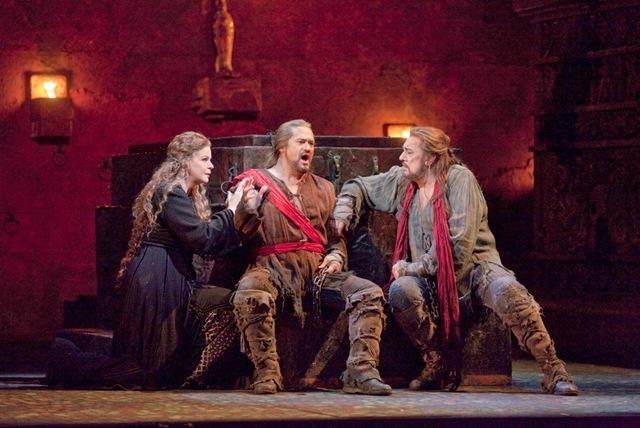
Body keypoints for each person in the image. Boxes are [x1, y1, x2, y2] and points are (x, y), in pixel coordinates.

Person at [330, 126, 580, 396]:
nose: (402, 157)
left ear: (430, 159)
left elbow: (457, 248)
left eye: (409, 152)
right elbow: (358, 186)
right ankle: (437, 362)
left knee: (510, 293)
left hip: (475, 269)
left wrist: (410, 267)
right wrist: (343, 211)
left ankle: (553, 370)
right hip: (431, 278)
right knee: (401, 290)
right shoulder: (403, 182)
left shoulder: (460, 180)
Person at [46, 131, 265, 389]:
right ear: (186, 161)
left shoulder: (184, 195)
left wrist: (239, 212)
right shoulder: (170, 193)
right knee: (147, 369)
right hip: (158, 278)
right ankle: (67, 361)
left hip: (168, 275)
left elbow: (210, 242)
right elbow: (203, 238)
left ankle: (199, 372)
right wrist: (231, 209)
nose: (211, 165)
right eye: (204, 159)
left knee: (154, 366)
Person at [229, 119, 392, 395]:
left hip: (316, 270)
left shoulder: (324, 188)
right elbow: (238, 235)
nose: (308, 148)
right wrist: (249, 209)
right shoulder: (254, 183)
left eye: (311, 143)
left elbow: (334, 237)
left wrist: (336, 256)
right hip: (271, 267)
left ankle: (361, 372)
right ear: (282, 147)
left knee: (368, 293)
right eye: (301, 142)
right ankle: (267, 373)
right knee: (250, 293)